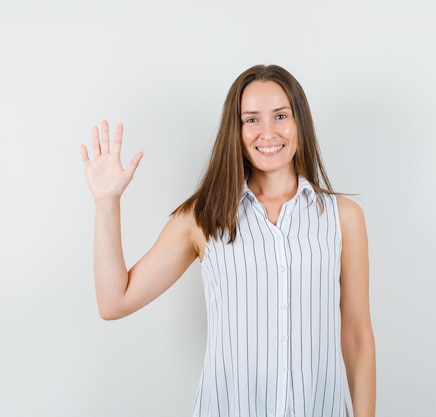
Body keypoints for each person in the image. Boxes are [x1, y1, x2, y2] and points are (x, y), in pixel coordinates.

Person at [80, 64, 375, 417]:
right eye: (251, 120)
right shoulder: (202, 217)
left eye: (280, 115)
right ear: (234, 130)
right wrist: (107, 203)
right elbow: (115, 302)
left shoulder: (343, 218)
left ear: (300, 124)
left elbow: (356, 338)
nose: (268, 132)